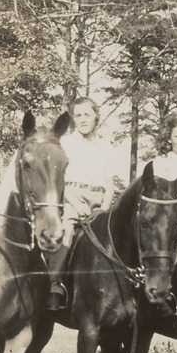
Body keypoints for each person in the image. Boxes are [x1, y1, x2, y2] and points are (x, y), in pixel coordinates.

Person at [46, 97, 118, 311]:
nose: (83, 120)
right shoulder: (66, 143)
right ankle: (54, 285)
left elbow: (110, 183)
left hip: (99, 199)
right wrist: (76, 204)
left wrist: (105, 208)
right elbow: (58, 179)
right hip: (72, 195)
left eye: (87, 114)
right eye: (78, 115)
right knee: (67, 230)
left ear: (96, 115)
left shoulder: (106, 146)